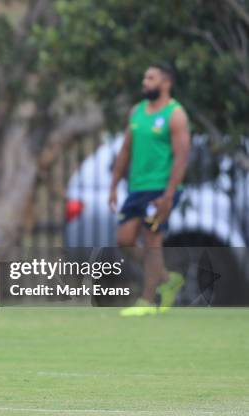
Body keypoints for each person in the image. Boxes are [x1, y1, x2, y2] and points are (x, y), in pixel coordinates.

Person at [109, 63, 190, 317]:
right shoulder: (137, 112)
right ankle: (167, 279)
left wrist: (169, 195)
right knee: (125, 240)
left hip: (161, 189)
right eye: (145, 77)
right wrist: (113, 185)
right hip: (137, 187)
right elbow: (125, 150)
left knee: (152, 240)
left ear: (166, 83)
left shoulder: (175, 114)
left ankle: (146, 301)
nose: (145, 82)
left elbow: (181, 157)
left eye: (150, 78)